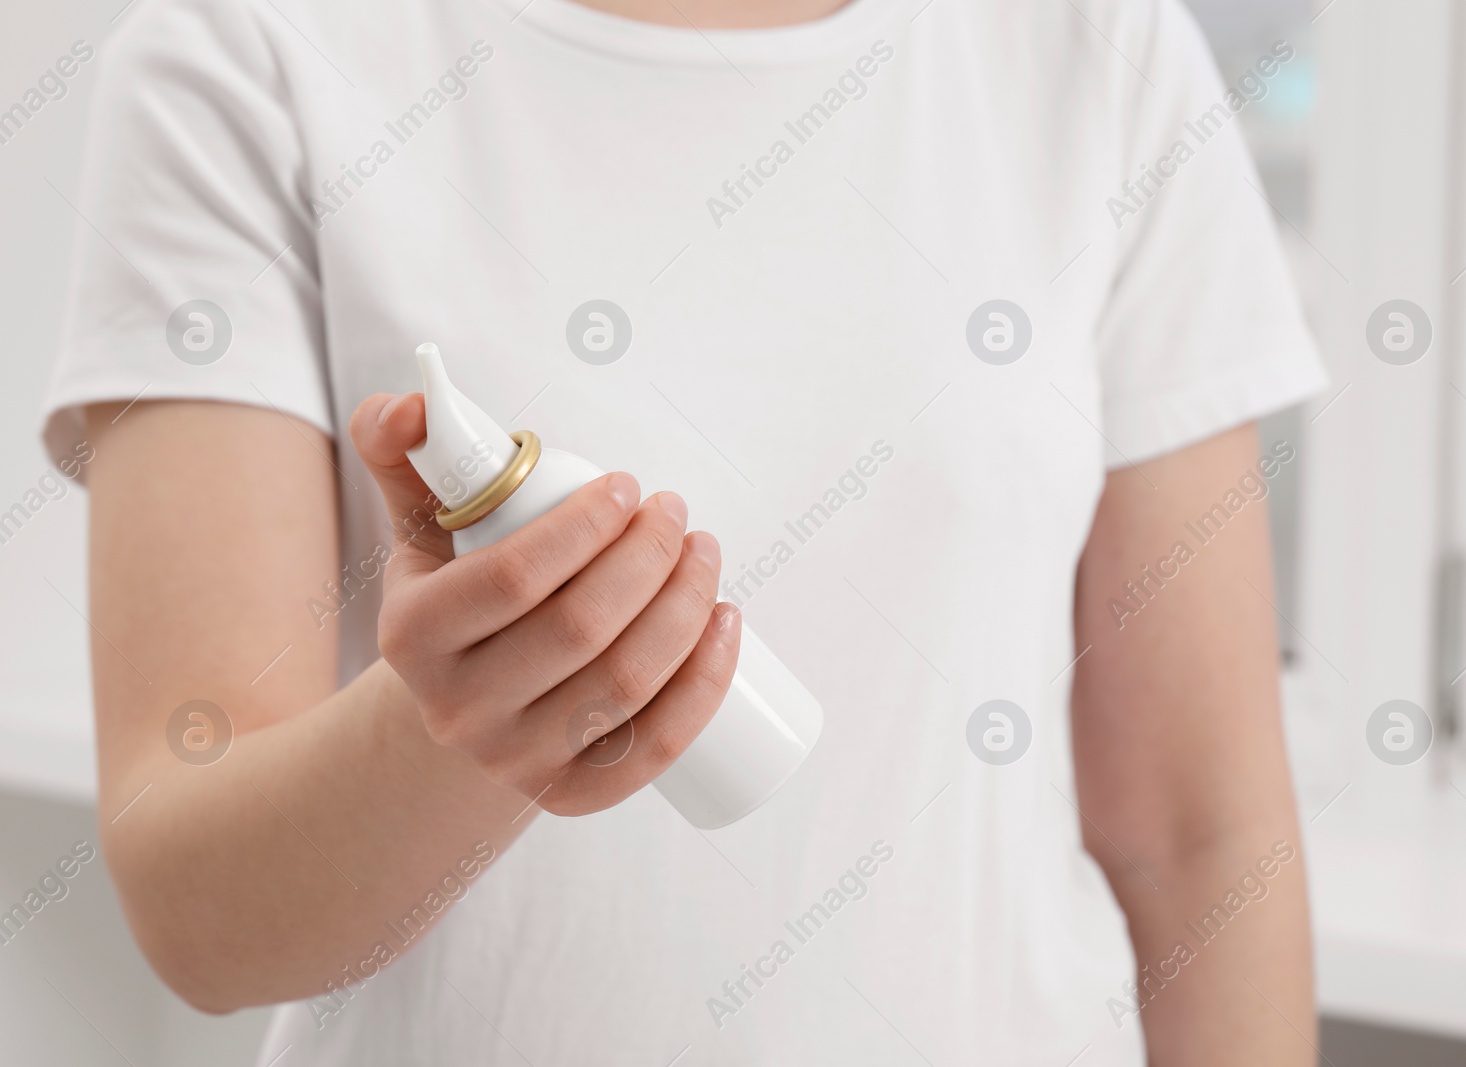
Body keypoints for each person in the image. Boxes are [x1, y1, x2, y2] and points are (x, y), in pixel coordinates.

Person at [43, 0, 1326, 1063]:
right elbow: (193, 903)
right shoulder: (242, 48)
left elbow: (1201, 837)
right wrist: (455, 726)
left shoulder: (1093, 47)